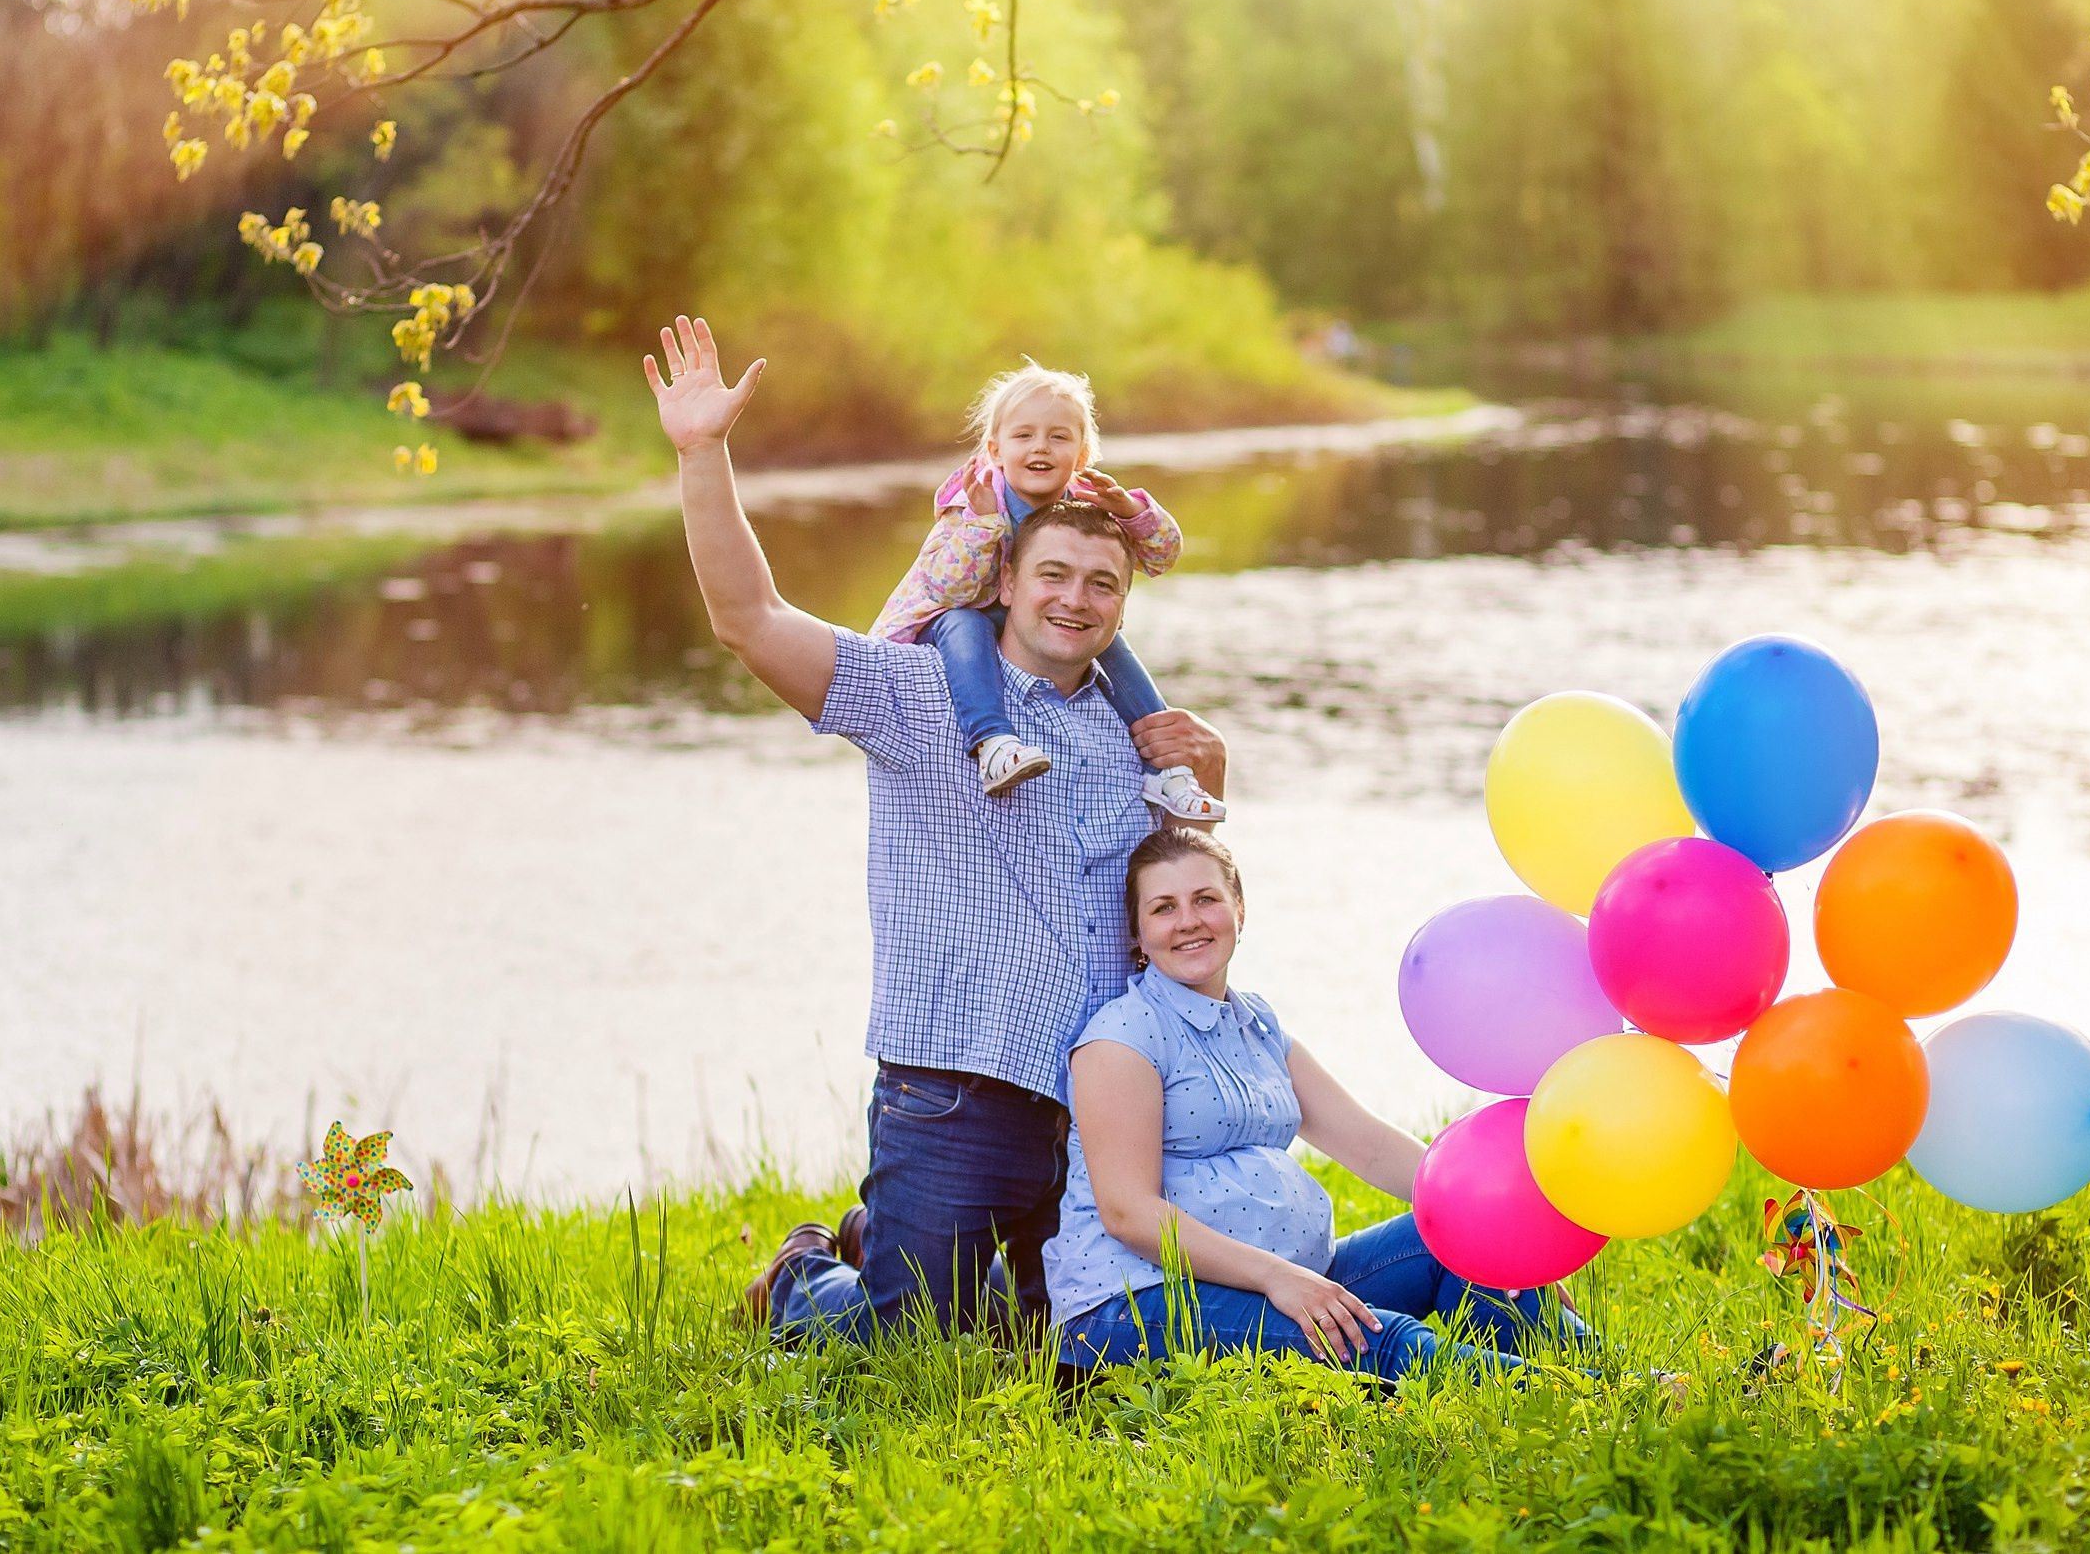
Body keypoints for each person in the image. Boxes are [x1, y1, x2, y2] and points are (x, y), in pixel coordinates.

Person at [638, 316, 1228, 1341]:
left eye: (1102, 584)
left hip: (1095, 1110)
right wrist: (703, 455)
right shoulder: (918, 696)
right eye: (1053, 576)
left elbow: (1179, 918)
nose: (1075, 599)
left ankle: (898, 1238)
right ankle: (798, 1278)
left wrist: (1210, 796)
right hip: (953, 1088)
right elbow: (750, 618)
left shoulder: (1134, 734)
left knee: (1073, 1347)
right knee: (912, 1350)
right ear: (1002, 580)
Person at [1048, 828, 1585, 1381]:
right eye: (1164, 908)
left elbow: (1370, 1145)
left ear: (1238, 909)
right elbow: (1128, 1213)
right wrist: (1275, 1277)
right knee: (1386, 1339)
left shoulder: (1257, 1025)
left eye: (1205, 899)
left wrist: (1494, 1226)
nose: (1188, 920)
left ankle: (1613, 1378)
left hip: (1290, 1278)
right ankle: (1595, 1397)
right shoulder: (1121, 1040)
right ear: (1138, 933)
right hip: (1136, 1305)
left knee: (1465, 1244)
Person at [870, 360, 1223, 822]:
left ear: (1081, 455)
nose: (1041, 447)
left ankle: (1168, 772)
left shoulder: (1085, 504)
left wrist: (1132, 510)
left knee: (1111, 639)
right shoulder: (973, 500)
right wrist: (983, 525)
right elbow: (948, 587)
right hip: (956, 616)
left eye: (1058, 437)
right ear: (996, 451)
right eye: (1024, 436)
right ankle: (993, 741)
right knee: (965, 623)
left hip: (1029, 619)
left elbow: (1163, 556)